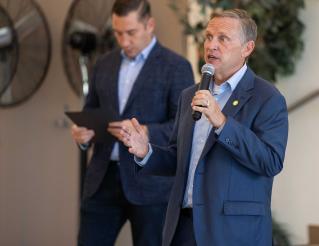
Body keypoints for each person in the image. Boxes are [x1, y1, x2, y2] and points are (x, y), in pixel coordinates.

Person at [121, 9, 289, 246]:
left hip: (232, 232)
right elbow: (179, 159)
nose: (212, 45)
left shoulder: (267, 98)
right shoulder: (190, 94)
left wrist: (222, 122)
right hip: (184, 227)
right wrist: (146, 152)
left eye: (223, 38)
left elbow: (270, 161)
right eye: (209, 37)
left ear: (247, 48)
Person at [70, 0, 194, 245]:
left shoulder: (177, 67)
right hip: (102, 179)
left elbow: (183, 127)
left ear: (150, 25)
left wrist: (145, 132)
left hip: (151, 182)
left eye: (131, 33)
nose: (124, 41)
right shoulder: (103, 64)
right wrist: (82, 136)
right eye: (117, 33)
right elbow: (90, 111)